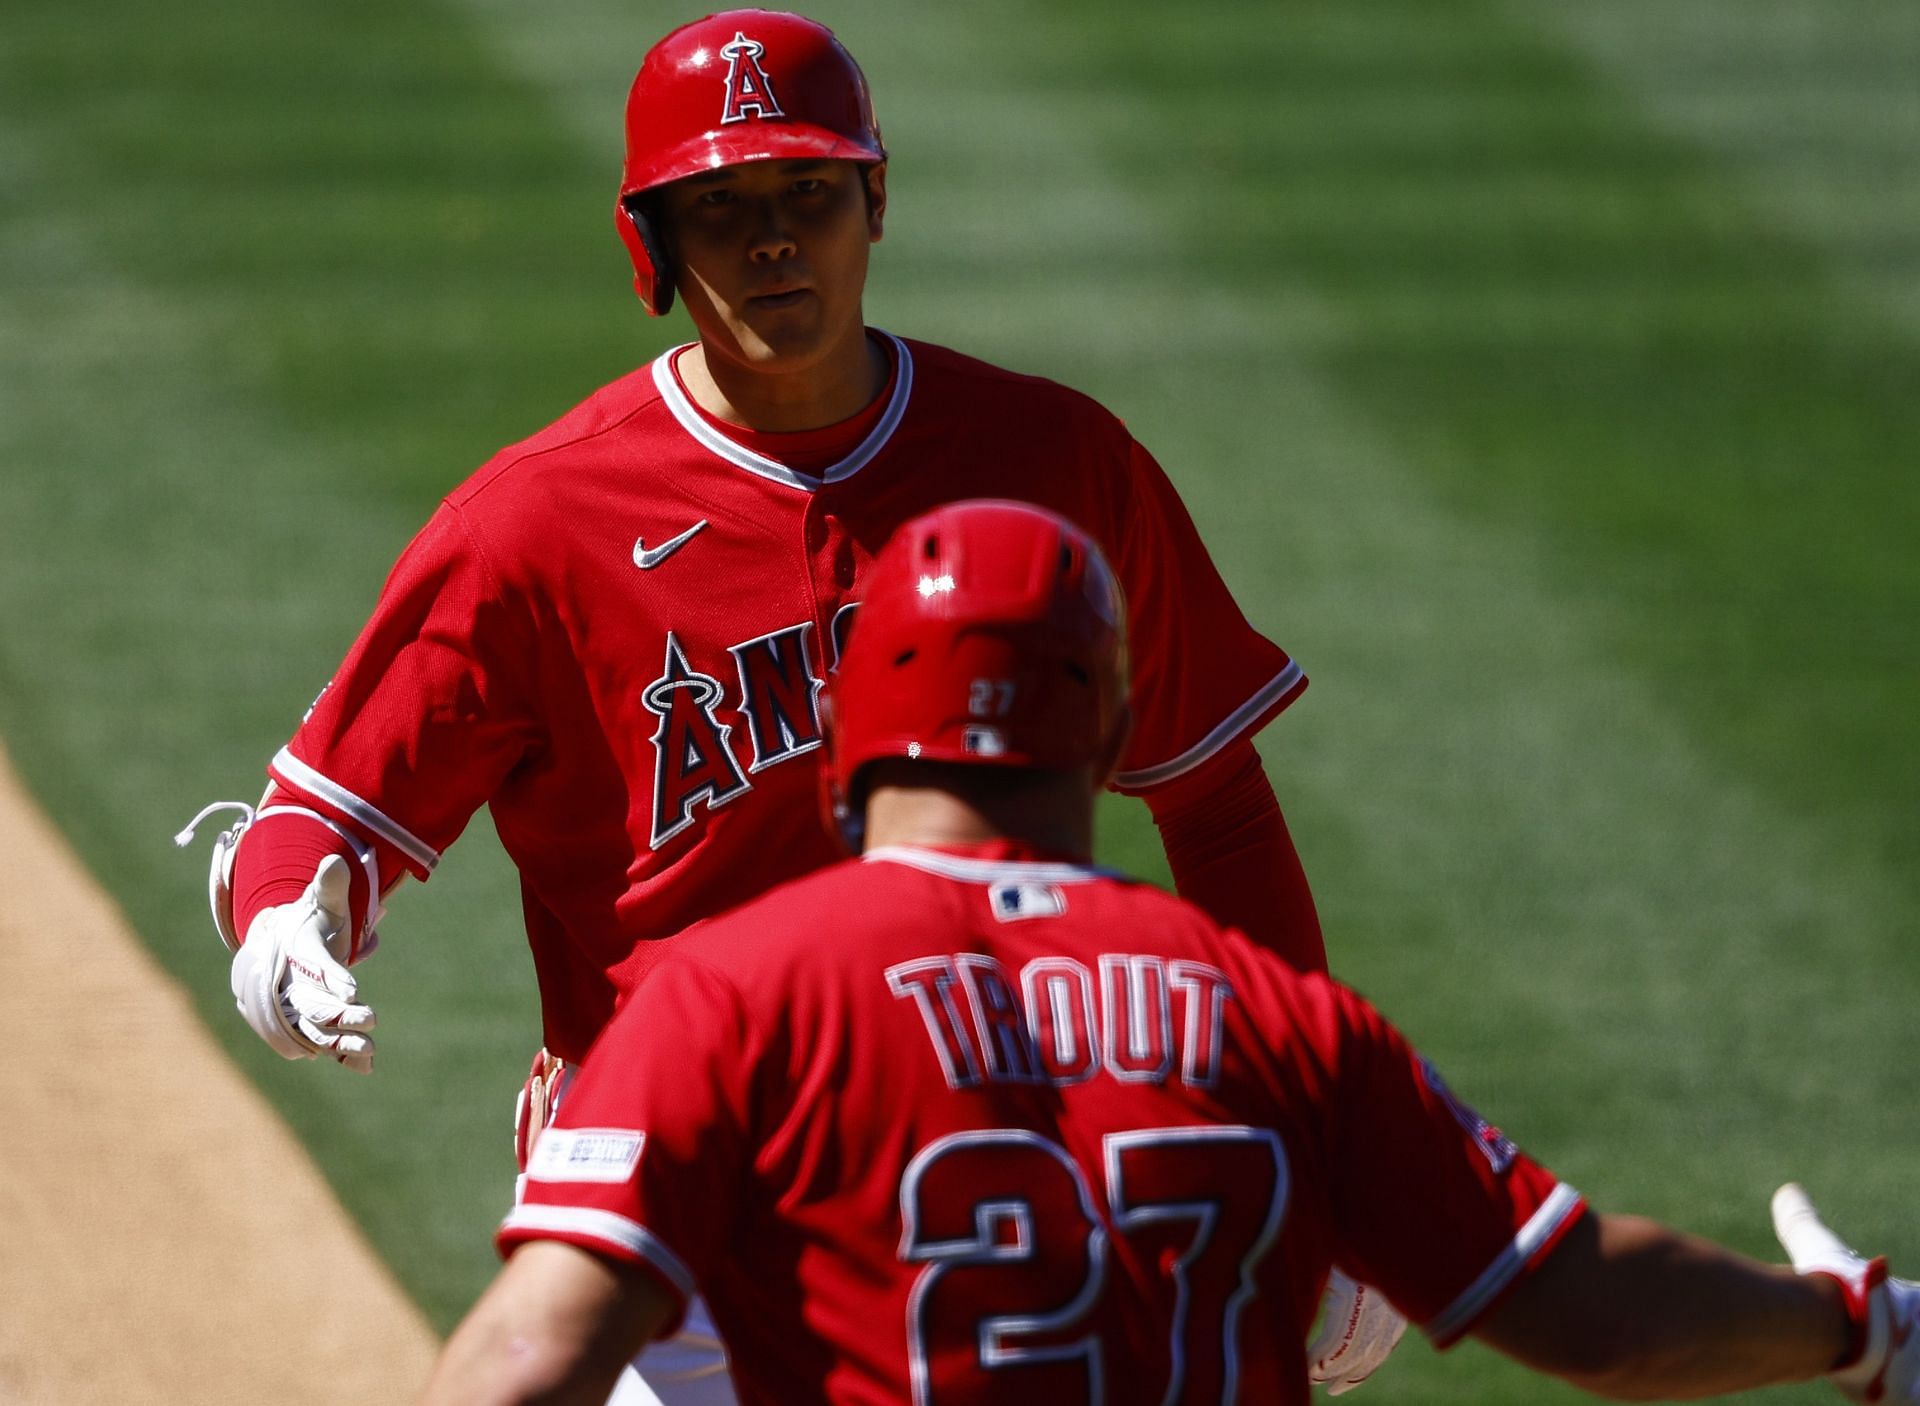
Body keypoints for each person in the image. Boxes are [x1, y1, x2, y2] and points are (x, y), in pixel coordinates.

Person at [172, 11, 1376, 1404]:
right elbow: (326, 811)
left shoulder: (1055, 458)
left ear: (876, 199)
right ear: (653, 244)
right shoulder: (537, 524)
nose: (772, 241)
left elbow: (1215, 802)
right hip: (671, 1202)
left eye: (807, 193)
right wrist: (284, 927)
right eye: (721, 205)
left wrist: (1304, 1137)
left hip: (994, 1181)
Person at [419, 499, 1920, 1406]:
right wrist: (1858, 1329)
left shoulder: (734, 996)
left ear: (846, 749)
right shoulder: (1273, 1013)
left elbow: (523, 1362)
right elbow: (1591, 1305)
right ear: (1112, 734)